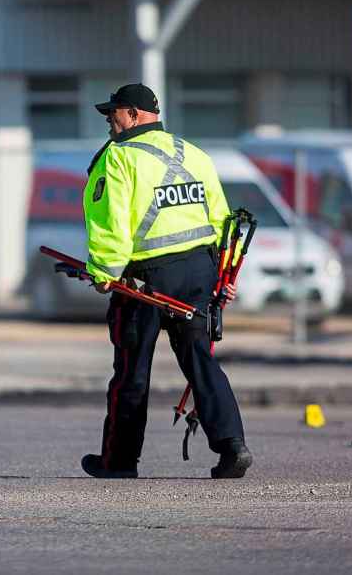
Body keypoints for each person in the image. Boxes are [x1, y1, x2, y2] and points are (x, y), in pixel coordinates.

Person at [80, 83, 252, 479]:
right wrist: (223, 276)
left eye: (114, 113)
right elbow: (221, 219)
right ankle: (232, 447)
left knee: (132, 370)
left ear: (135, 114)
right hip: (199, 272)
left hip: (144, 280)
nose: (109, 121)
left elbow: (111, 223)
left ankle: (119, 461)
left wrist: (104, 273)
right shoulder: (193, 153)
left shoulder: (118, 157)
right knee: (200, 360)